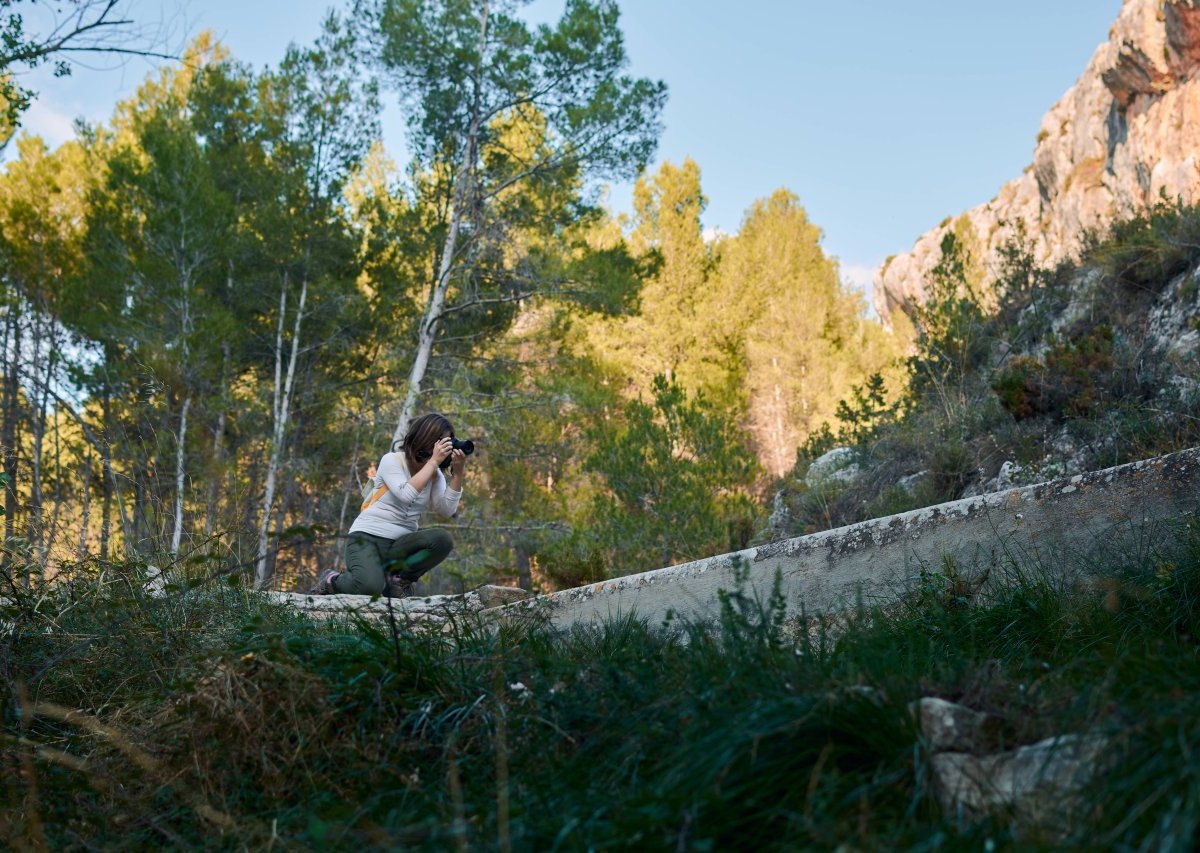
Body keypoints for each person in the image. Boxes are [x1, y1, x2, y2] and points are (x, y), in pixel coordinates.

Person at [313, 413, 467, 597]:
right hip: (367, 538)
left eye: (449, 441)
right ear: (425, 438)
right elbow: (405, 494)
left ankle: (399, 580)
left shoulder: (435, 475)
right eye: (441, 440)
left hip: (400, 545)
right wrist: (433, 462)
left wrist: (458, 474)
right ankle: (332, 580)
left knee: (442, 540)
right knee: (368, 588)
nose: (445, 446)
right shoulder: (392, 460)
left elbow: (446, 510)